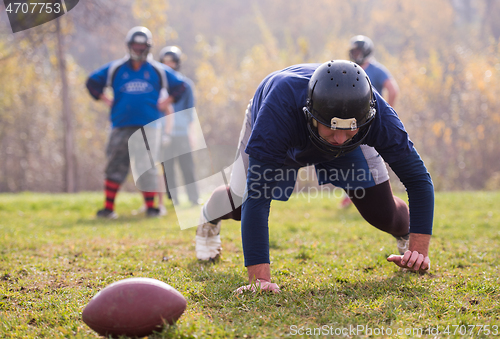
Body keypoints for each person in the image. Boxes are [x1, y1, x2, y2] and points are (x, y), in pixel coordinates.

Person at [195, 60, 434, 293]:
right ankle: (208, 216)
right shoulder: (279, 110)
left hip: (351, 138)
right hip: (282, 126)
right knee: (241, 200)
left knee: (383, 214)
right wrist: (260, 280)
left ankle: (404, 235)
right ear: (310, 114)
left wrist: (419, 249)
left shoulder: (376, 114)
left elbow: (418, 180)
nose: (340, 139)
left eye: (349, 128)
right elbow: (257, 197)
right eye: (332, 128)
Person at [86, 26, 186, 219]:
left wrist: (167, 101)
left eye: (142, 46)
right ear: (129, 46)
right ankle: (108, 208)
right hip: (121, 125)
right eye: (135, 45)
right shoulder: (116, 69)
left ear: (147, 47)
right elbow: (91, 82)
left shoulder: (157, 70)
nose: (138, 50)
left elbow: (180, 86)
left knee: (147, 166)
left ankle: (151, 208)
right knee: (115, 165)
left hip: (150, 126)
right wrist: (104, 98)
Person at [338, 35, 401, 209]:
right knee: (349, 155)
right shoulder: (349, 68)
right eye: (354, 51)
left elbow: (393, 90)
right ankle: (351, 193)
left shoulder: (377, 70)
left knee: (372, 158)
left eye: (359, 51)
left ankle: (378, 194)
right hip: (352, 120)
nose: (356, 54)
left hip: (370, 120)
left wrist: (386, 113)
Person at [158, 46, 200, 207]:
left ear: (177, 63)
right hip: (164, 132)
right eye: (165, 62)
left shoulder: (185, 85)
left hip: (182, 132)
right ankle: (173, 199)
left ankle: (193, 198)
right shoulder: (160, 86)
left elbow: (191, 111)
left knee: (187, 166)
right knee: (168, 167)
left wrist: (192, 133)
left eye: (171, 62)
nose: (168, 65)